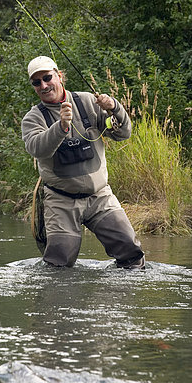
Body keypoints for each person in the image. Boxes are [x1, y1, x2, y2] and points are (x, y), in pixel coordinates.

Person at [21, 55, 145, 269]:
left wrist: (115, 107)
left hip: (100, 196)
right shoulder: (33, 118)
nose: (43, 85)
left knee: (131, 253)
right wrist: (61, 126)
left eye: (47, 77)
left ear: (59, 76)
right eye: (36, 82)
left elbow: (123, 133)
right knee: (59, 264)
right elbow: (37, 148)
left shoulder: (88, 101)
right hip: (61, 201)